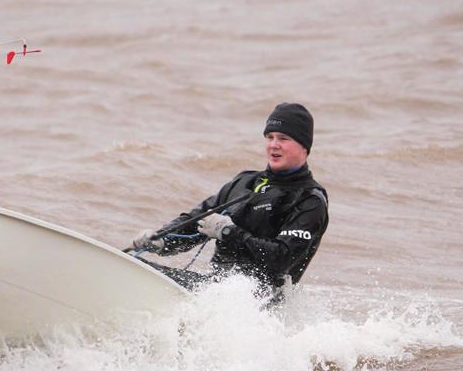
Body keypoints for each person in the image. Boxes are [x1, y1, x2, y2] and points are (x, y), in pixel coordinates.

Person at [131, 102, 328, 296]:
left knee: (139, 270)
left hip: (254, 305)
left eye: (283, 138)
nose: (273, 145)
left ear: (304, 146)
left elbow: (282, 259)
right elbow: (197, 220)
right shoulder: (244, 182)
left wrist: (229, 232)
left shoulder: (310, 200)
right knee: (134, 263)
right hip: (213, 289)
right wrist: (161, 240)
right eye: (269, 137)